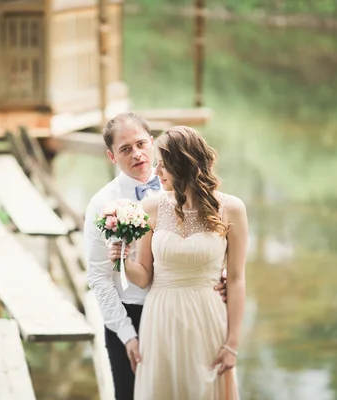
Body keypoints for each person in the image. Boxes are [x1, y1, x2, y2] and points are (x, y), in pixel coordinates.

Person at [84, 113, 228, 399]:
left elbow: (207, 240)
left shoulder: (186, 190)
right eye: (125, 149)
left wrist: (217, 274)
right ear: (112, 156)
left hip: (181, 313)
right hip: (132, 314)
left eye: (140, 144)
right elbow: (99, 278)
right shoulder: (102, 203)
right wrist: (127, 335)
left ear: (152, 143)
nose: (137, 154)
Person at [119, 126, 248, 399]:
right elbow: (143, 276)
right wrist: (120, 259)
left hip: (207, 315)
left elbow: (236, 280)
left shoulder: (231, 208)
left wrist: (232, 344)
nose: (156, 172)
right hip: (161, 316)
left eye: (163, 166)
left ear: (185, 164)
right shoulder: (151, 207)